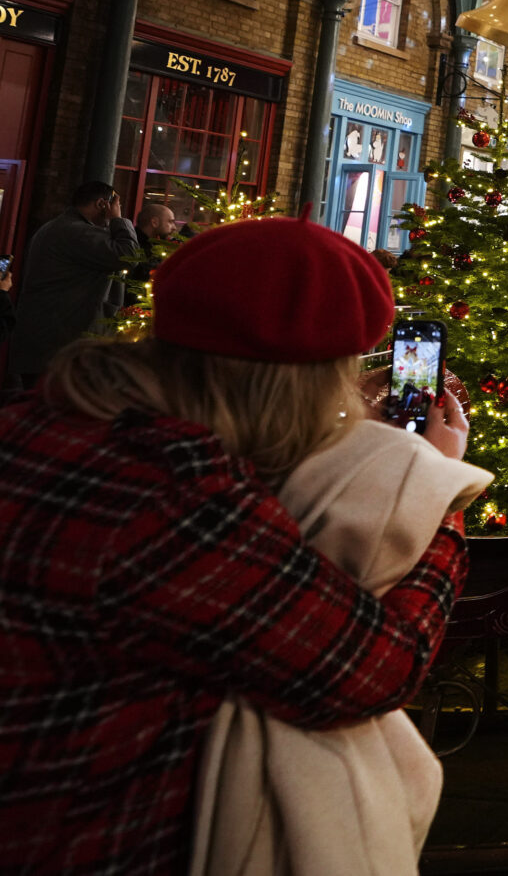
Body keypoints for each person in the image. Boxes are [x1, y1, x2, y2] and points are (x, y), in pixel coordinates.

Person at [0, 215, 473, 875]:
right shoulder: (171, 495)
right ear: (302, 387)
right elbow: (375, 669)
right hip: (93, 836)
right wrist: (435, 486)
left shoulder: (43, 420)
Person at [8, 181, 139, 388]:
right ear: (102, 204)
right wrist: (118, 219)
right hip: (59, 347)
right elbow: (129, 256)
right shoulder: (75, 232)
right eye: (116, 205)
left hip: (46, 345)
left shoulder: (57, 227)